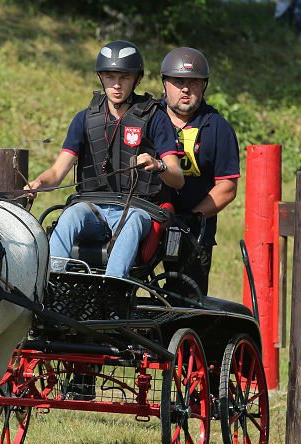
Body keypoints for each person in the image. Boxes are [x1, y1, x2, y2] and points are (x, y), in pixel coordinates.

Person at [25, 40, 184, 279]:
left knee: (132, 220)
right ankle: (53, 283)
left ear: (137, 80)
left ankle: (113, 288)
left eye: (125, 78)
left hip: (139, 209)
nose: (116, 85)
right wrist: (38, 183)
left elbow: (178, 179)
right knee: (70, 215)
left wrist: (158, 165)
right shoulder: (85, 119)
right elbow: (57, 173)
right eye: (109, 77)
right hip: (94, 210)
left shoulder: (156, 118)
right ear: (101, 78)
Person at [158, 47, 241, 297]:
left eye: (193, 82)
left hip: (194, 235)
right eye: (178, 81)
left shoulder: (219, 127)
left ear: (204, 86)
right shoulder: (146, 117)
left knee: (186, 306)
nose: (185, 89)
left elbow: (227, 188)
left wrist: (190, 218)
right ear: (164, 84)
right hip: (145, 226)